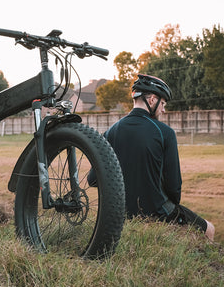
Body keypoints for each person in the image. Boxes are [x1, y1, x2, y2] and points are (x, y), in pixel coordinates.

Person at [89, 74, 215, 240]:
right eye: (163, 104)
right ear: (152, 99)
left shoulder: (110, 132)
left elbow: (93, 179)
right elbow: (174, 186)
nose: (163, 110)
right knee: (209, 229)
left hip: (121, 214)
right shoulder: (165, 133)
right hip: (157, 213)